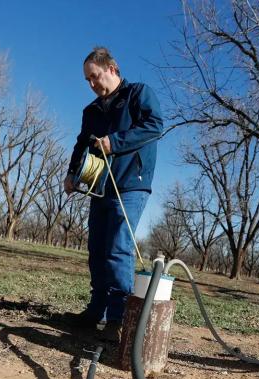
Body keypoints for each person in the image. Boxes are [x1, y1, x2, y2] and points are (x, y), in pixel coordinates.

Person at [62, 47, 163, 341]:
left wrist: (115, 142)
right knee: (97, 247)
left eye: (95, 76)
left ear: (113, 70)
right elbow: (81, 144)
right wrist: (72, 174)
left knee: (118, 247)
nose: (92, 84)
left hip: (131, 184)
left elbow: (154, 125)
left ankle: (118, 320)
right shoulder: (91, 111)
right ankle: (97, 311)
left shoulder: (138, 94)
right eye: (88, 80)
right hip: (100, 186)